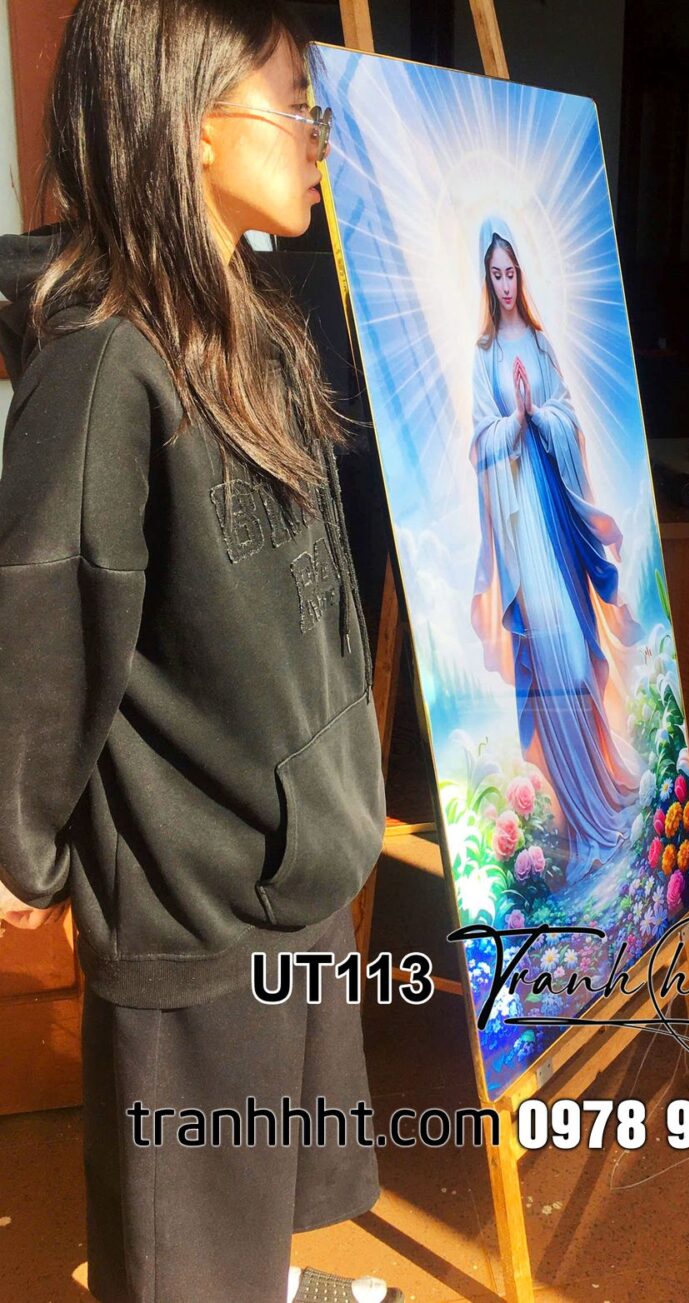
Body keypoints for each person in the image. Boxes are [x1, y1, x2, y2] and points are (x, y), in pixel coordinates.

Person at [0, 2, 402, 1300]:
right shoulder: (104, 361)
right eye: (295, 103)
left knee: (252, 1201)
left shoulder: (251, 318)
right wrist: (20, 847)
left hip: (292, 869)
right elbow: (47, 609)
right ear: (188, 122)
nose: (319, 134)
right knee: (188, 1246)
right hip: (196, 898)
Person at [469, 215, 643, 887]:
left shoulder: (540, 344)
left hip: (558, 519)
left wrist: (539, 417)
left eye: (512, 271)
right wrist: (511, 423)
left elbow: (568, 415)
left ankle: (597, 794)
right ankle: (575, 818)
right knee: (547, 659)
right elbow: (480, 441)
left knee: (574, 652)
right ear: (486, 279)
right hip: (522, 530)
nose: (505, 284)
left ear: (522, 274)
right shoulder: (485, 355)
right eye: (496, 274)